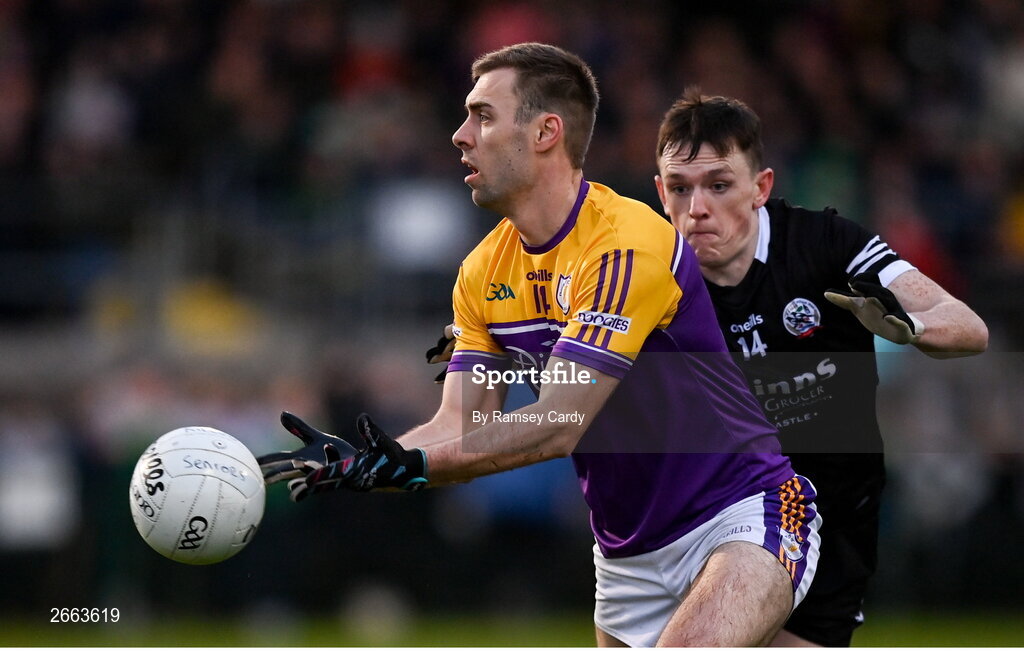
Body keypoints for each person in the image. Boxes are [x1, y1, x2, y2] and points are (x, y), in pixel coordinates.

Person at [260, 44, 822, 647]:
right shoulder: (481, 272)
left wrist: (415, 465)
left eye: (482, 115)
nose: (460, 135)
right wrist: (364, 463)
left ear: (546, 131)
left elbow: (560, 420)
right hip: (628, 558)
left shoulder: (624, 245)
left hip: (741, 514)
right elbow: (459, 424)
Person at [650, 89, 988, 647]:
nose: (697, 208)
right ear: (660, 192)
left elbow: (969, 327)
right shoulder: (649, 276)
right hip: (711, 519)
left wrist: (911, 329)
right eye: (680, 189)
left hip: (832, 516)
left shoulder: (828, 245)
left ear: (761, 187)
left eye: (718, 185)